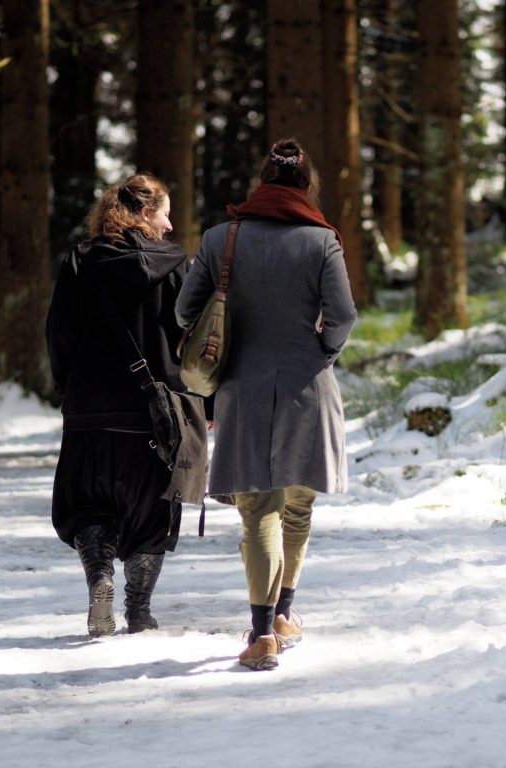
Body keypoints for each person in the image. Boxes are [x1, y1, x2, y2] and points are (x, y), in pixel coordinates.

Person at [176, 138, 357, 671]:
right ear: (306, 186)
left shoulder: (219, 237)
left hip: (242, 388)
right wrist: (320, 352)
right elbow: (342, 316)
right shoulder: (323, 242)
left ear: (261, 180)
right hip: (309, 385)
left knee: (259, 509)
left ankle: (260, 635)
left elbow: (188, 309)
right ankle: (284, 614)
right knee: (298, 507)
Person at [46, 173, 191, 637]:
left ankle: (100, 578)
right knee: (154, 509)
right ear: (146, 214)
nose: (169, 226)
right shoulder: (175, 266)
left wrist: (68, 388)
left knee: (90, 506)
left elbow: (59, 334)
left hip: (90, 410)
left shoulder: (80, 261)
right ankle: (141, 609)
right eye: (165, 213)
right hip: (155, 412)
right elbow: (188, 339)